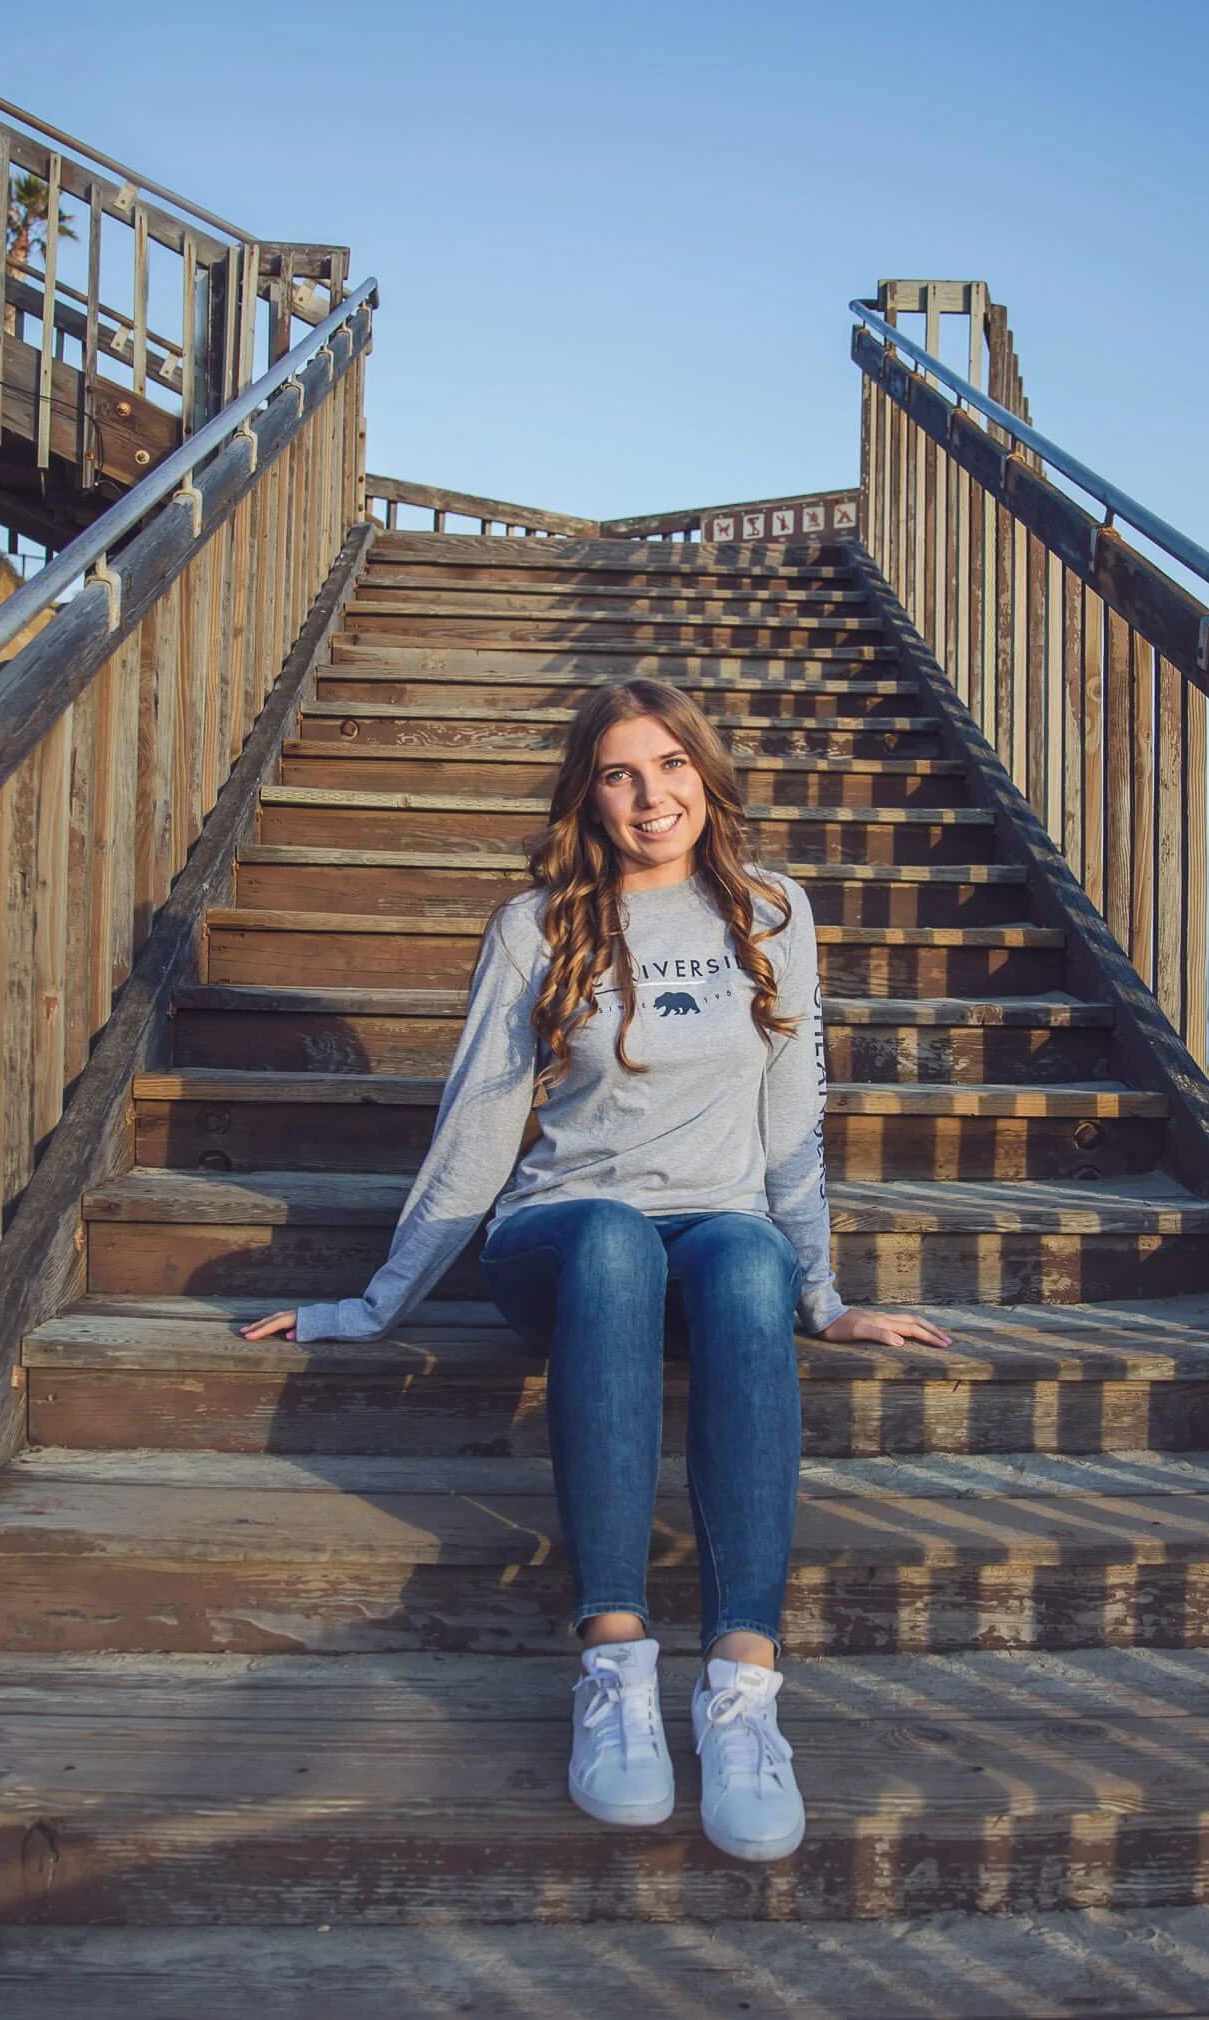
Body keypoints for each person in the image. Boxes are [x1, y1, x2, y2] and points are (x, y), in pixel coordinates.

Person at [242, 676, 950, 1862]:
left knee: (744, 1264)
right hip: (559, 1244)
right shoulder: (539, 924)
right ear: (588, 792)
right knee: (617, 1237)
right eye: (620, 771)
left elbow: (791, 1122)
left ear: (705, 775)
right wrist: (373, 1303)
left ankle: (740, 1690)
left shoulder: (773, 912)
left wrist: (820, 1296)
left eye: (671, 764)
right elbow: (477, 1123)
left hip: (714, 1235)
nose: (650, 794)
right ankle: (614, 1667)